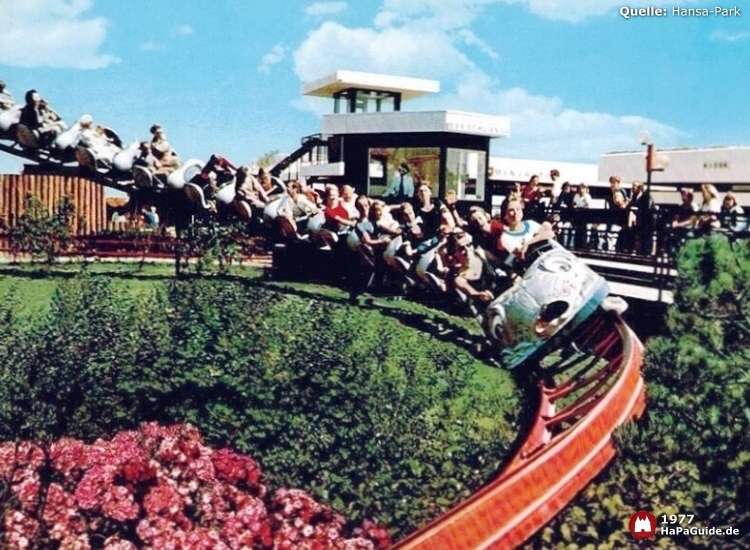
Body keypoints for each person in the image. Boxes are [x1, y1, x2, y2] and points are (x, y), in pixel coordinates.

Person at [499, 198, 556, 272]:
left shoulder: (530, 224)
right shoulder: (505, 237)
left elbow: (550, 234)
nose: (516, 212)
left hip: (547, 262)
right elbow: (519, 256)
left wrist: (528, 243)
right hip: (529, 270)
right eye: (511, 210)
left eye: (518, 209)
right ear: (505, 215)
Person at [626, 180, 655, 255]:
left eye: (635, 186)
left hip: (645, 222)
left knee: (645, 239)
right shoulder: (634, 197)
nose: (633, 188)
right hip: (636, 222)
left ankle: (645, 252)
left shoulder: (645, 197)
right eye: (633, 186)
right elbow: (630, 206)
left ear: (640, 187)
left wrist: (637, 213)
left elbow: (646, 210)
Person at [603, 176, 630, 252]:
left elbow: (622, 205)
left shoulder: (617, 193)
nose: (612, 185)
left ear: (618, 183)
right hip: (614, 219)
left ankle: (611, 251)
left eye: (614, 183)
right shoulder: (617, 192)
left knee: (612, 236)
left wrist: (621, 203)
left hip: (616, 219)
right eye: (611, 183)